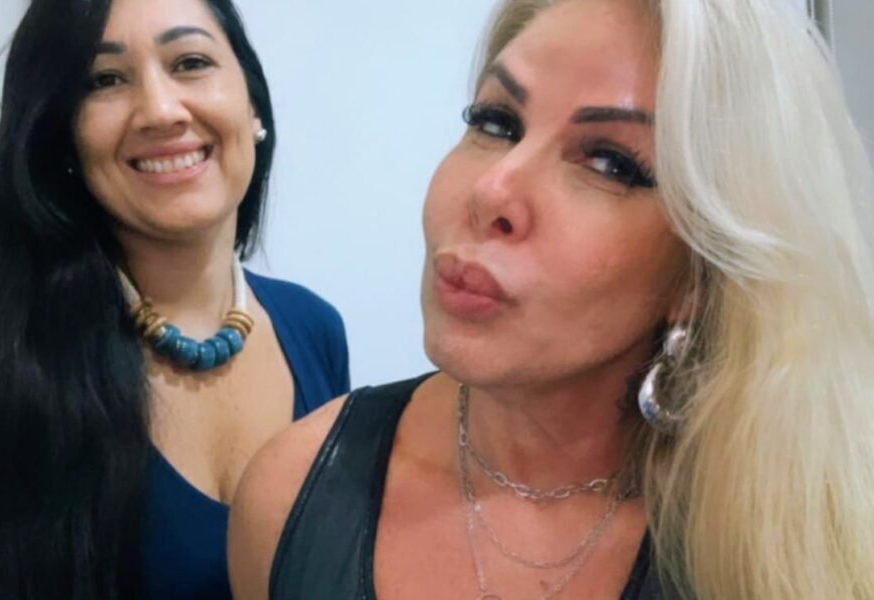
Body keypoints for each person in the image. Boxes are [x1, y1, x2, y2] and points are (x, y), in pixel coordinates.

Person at [228, 0, 874, 598]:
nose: (491, 191)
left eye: (610, 163)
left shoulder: (798, 537)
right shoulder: (291, 495)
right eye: (496, 123)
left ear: (696, 278)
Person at [0, 0, 349, 598]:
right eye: (105, 80)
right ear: (62, 136)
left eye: (191, 62)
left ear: (252, 103)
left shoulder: (315, 331)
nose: (160, 110)